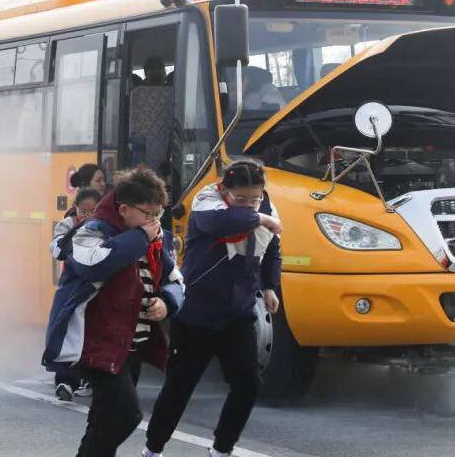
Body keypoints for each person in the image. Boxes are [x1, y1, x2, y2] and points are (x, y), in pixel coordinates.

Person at [42, 167, 185, 457]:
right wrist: (140, 237)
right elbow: (94, 263)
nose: (154, 221)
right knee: (125, 415)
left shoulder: (154, 238)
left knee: (103, 418)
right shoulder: (93, 230)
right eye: (147, 214)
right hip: (99, 342)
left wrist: (166, 301)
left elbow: (176, 280)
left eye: (157, 214)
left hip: (133, 344)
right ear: (124, 209)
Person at [144, 159, 282, 457]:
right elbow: (222, 223)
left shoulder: (267, 208)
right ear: (224, 190)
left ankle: (221, 449)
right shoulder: (207, 203)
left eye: (255, 198)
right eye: (240, 199)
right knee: (180, 387)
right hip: (196, 313)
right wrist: (260, 218)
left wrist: (270, 286)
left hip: (238, 312)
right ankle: (153, 448)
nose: (249, 204)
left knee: (247, 384)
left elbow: (272, 249)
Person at [50, 187, 103, 400]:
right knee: (67, 331)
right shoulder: (67, 225)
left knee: (92, 334)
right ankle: (65, 381)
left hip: (95, 288)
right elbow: (57, 250)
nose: (88, 216)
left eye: (93, 212)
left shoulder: (105, 226)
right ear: (75, 209)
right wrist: (79, 228)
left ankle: (91, 378)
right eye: (84, 211)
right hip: (72, 285)